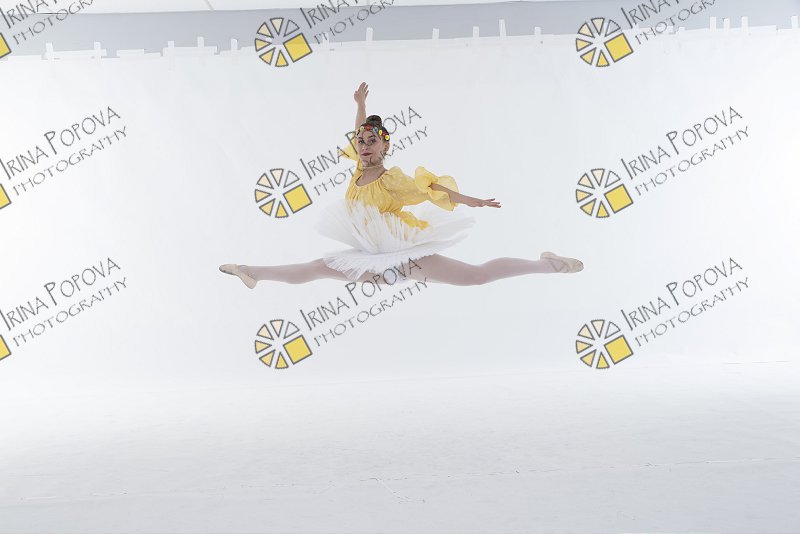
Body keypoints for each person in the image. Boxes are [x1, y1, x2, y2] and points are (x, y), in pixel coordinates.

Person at [220, 82, 582, 287]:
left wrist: (469, 199)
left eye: (372, 142)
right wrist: (361, 105)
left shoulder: (391, 178)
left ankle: (548, 264)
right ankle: (252, 272)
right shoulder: (357, 169)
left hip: (399, 250)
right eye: (361, 142)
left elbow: (430, 189)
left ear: (385, 147)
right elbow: (359, 129)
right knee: (317, 267)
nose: (364, 146)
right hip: (369, 252)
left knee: (475, 276)